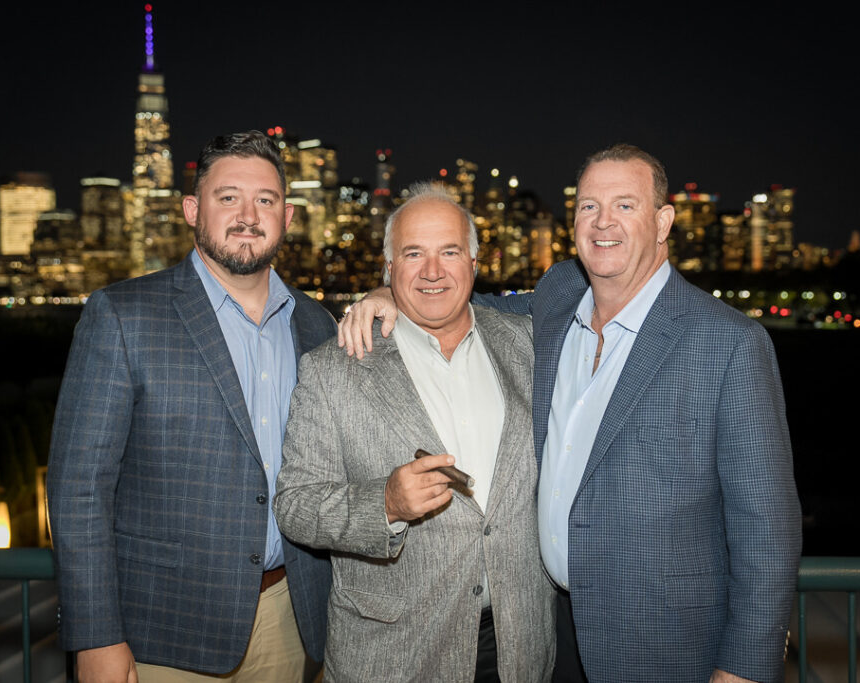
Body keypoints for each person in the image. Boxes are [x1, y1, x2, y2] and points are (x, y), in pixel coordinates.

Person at [337, 145, 802, 683]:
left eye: (625, 206)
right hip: (550, 637)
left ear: (662, 222)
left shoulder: (729, 345)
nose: (604, 223)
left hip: (665, 645)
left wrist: (743, 669)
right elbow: (465, 306)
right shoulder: (559, 296)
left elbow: (767, 530)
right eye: (588, 207)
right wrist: (390, 291)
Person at [47, 130, 335, 682]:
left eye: (266, 200)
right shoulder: (123, 316)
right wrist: (96, 639)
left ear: (289, 217)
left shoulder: (316, 325)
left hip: (291, 621)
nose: (248, 215)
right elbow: (78, 490)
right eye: (228, 197)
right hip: (163, 632)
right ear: (191, 209)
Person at [273, 183, 555, 682]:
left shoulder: (529, 347)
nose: (432, 271)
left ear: (473, 262)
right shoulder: (331, 370)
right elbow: (295, 505)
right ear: (388, 269)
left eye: (449, 252)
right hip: (396, 653)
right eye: (413, 254)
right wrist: (383, 506)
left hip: (519, 644)